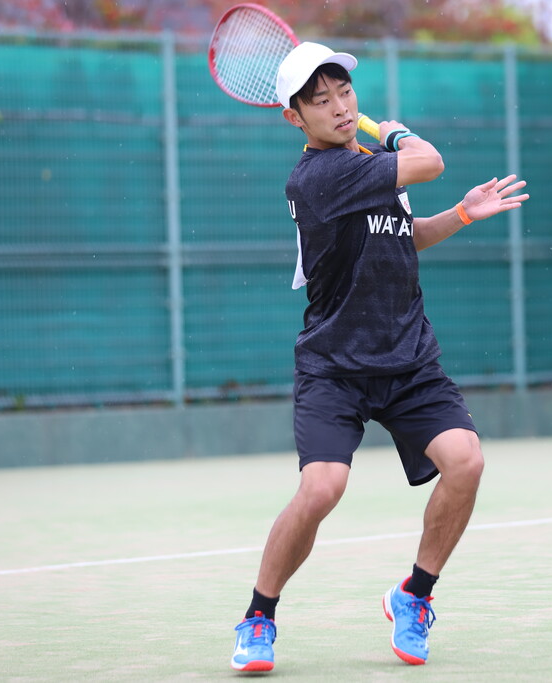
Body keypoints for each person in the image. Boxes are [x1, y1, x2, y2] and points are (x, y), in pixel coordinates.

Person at [230, 41, 529, 673]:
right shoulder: (319, 177)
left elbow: (401, 238)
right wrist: (394, 133)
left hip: (408, 359)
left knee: (466, 462)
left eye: (344, 93)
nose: (340, 107)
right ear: (294, 118)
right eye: (321, 101)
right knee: (322, 489)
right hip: (334, 367)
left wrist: (462, 214)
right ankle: (259, 615)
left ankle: (414, 596)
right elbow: (430, 160)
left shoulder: (366, 167)